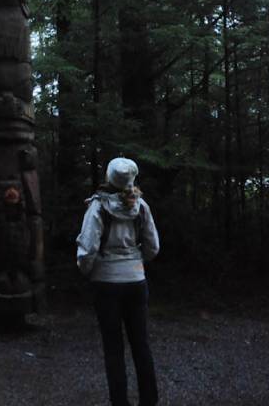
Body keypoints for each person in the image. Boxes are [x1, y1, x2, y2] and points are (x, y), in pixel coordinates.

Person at [76, 157, 160, 406]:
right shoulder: (141, 206)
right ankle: (149, 400)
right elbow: (153, 247)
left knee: (113, 347)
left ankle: (120, 402)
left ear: (109, 178)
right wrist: (136, 262)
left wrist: (88, 271)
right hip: (136, 282)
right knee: (141, 343)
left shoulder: (98, 207)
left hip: (105, 283)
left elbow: (87, 250)